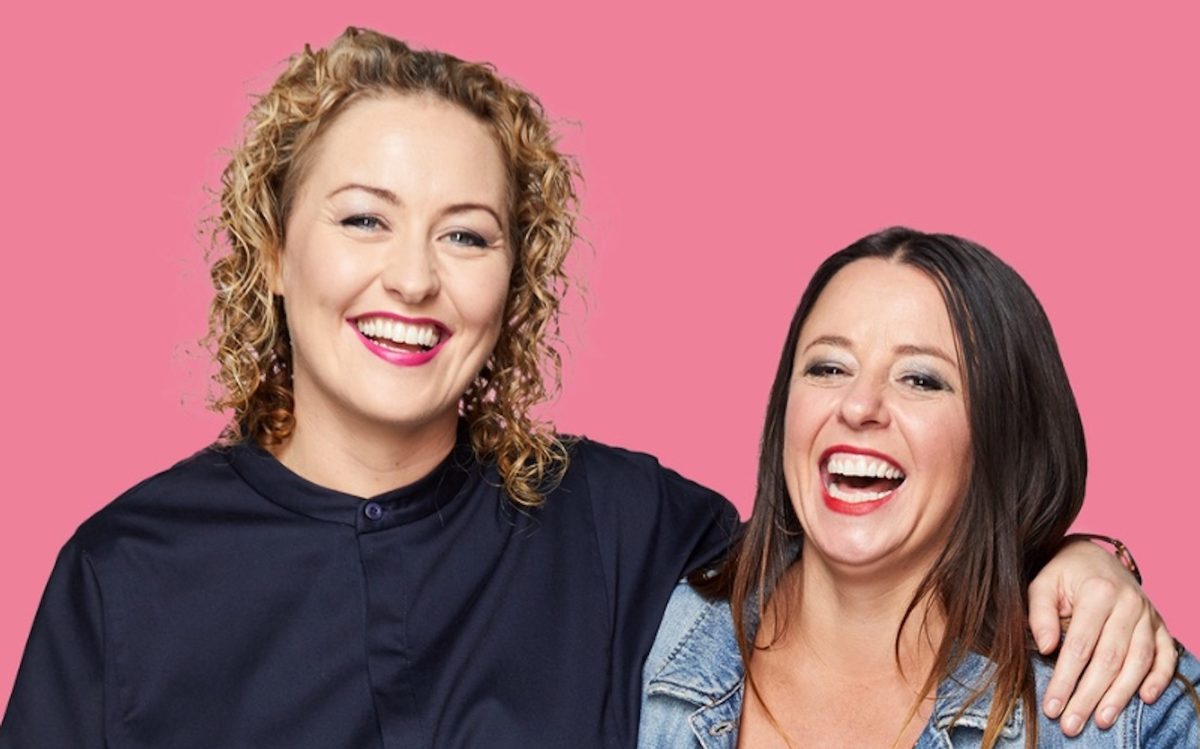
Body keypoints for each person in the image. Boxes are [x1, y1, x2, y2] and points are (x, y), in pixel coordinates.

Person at [0, 30, 1177, 749]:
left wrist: (1069, 560)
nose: (413, 277)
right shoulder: (124, 570)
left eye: (468, 236)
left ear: (515, 281)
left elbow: (867, 567)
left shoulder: (624, 527)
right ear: (272, 247)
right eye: (364, 219)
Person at [639, 227, 1199, 748]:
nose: (859, 406)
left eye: (921, 379)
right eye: (828, 368)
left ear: (1003, 438)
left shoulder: (1126, 708)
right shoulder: (653, 625)